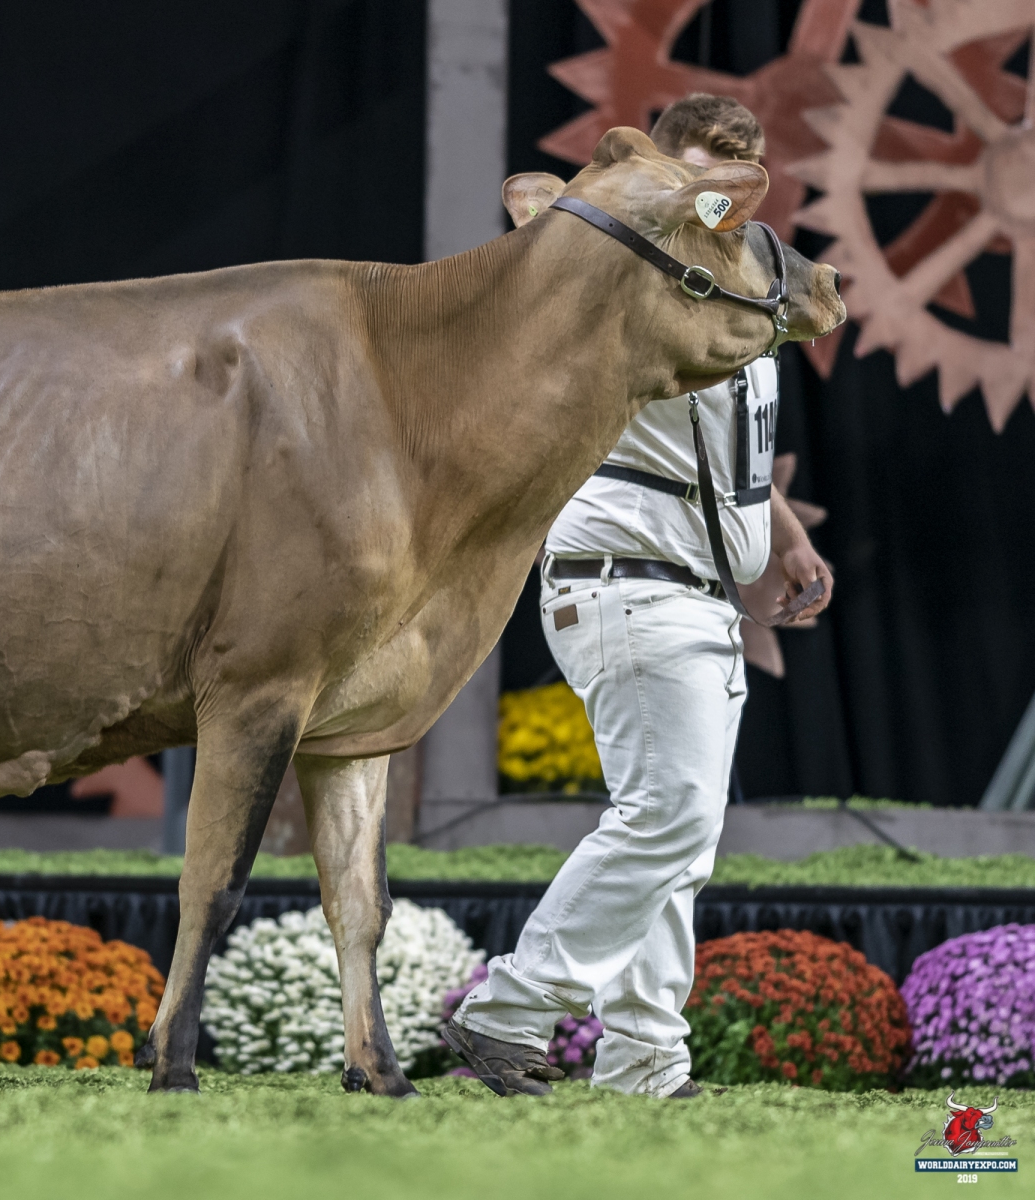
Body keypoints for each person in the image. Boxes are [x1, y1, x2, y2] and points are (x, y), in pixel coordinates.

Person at [442, 94, 834, 1099]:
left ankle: (645, 1061)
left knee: (677, 838)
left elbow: (729, 445)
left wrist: (784, 535)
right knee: (669, 815)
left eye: (734, 184)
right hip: (626, 579)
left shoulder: (733, 282)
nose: (714, 198)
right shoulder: (618, 265)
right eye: (696, 177)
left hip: (693, 591)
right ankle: (507, 1010)